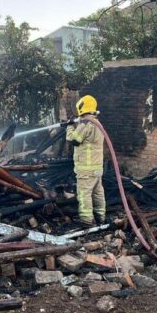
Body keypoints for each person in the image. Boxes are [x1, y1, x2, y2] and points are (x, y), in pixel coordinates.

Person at [64, 95, 106, 226]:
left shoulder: (86, 123)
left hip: (85, 169)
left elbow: (74, 140)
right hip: (97, 167)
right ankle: (101, 217)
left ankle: (86, 220)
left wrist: (70, 126)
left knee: (84, 194)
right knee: (98, 193)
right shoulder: (97, 123)